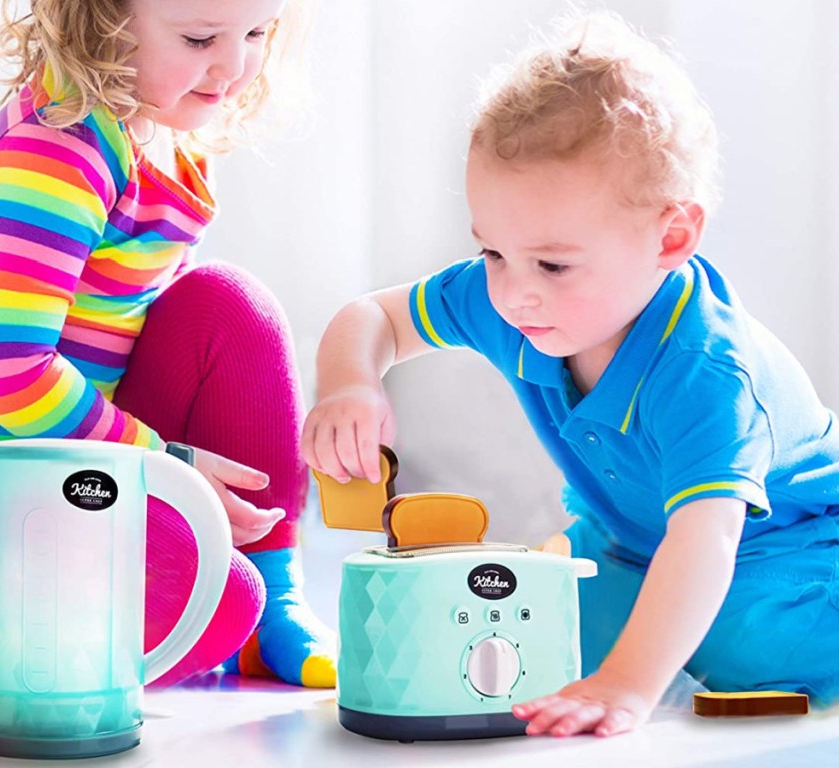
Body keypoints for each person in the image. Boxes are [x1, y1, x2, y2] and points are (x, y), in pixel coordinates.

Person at [301, 11, 839, 735]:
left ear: (670, 238)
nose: (514, 291)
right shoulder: (513, 298)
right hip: (626, 544)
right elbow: (373, 317)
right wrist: (349, 383)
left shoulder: (705, 369)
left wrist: (625, 685)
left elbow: (705, 540)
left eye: (553, 264)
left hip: (779, 550)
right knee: (531, 624)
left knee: (747, 639)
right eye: (492, 252)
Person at [0, 0, 334, 689]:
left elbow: (160, 337)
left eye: (258, 33)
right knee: (218, 600)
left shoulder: (166, 130)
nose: (235, 67)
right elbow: (6, 369)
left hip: (80, 466)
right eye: (202, 37)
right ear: (102, 20)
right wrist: (165, 464)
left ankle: (276, 601)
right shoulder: (57, 148)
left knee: (230, 305)